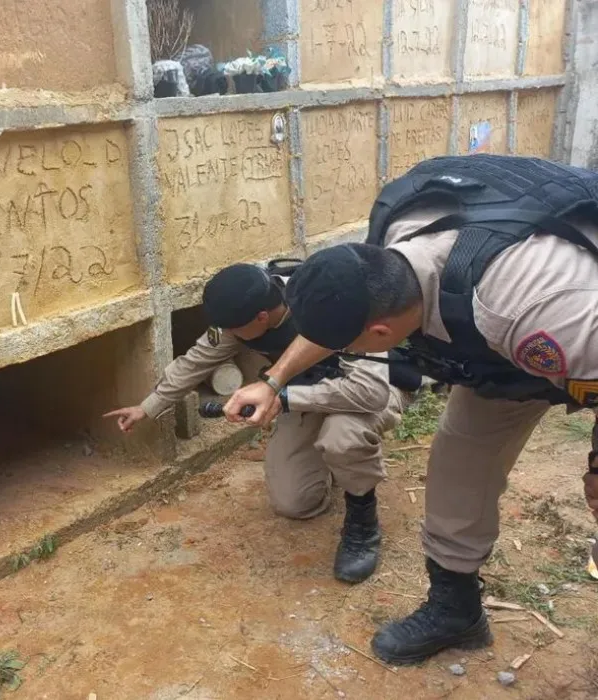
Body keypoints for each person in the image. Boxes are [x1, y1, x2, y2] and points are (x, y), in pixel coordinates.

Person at [221, 154, 598, 666]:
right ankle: (456, 609)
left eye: (350, 347)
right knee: (456, 468)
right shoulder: (389, 249)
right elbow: (337, 321)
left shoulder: (532, 310)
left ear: (380, 336)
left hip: (575, 322)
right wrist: (274, 379)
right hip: (502, 359)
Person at [104, 261, 422, 583]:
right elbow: (196, 361)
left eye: (234, 329)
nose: (228, 335)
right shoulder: (246, 313)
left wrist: (282, 399)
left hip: (373, 389)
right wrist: (147, 406)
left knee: (342, 436)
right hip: (308, 392)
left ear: (261, 317)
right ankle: (335, 465)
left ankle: (362, 522)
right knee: (293, 502)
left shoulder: (333, 303)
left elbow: (370, 393)